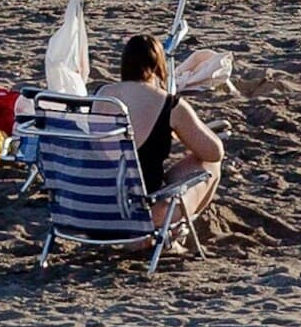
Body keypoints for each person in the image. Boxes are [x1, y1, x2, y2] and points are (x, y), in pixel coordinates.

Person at [92, 34, 225, 226]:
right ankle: (173, 232)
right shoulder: (168, 103)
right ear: (158, 66)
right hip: (143, 214)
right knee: (209, 164)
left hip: (94, 207)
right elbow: (214, 152)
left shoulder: (102, 95)